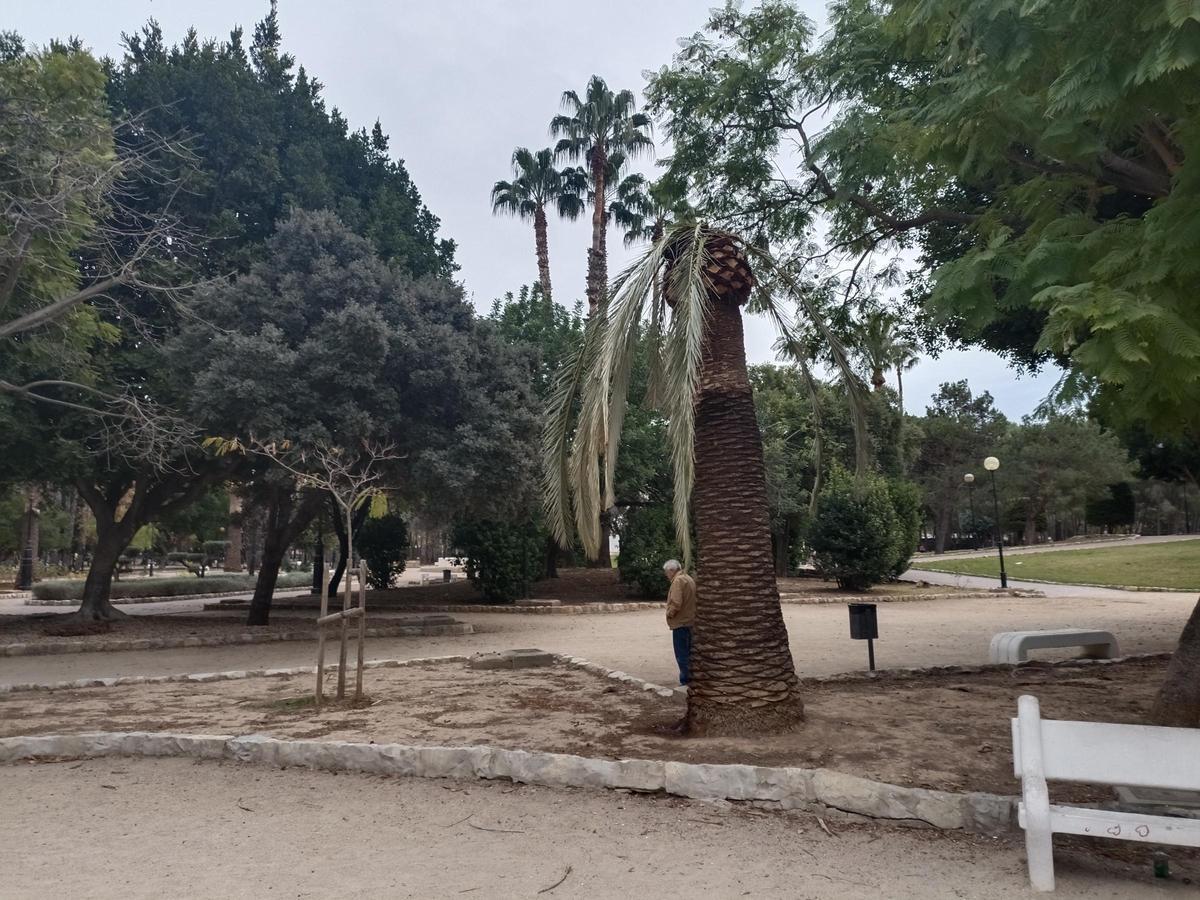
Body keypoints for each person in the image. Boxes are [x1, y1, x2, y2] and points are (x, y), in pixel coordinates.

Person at [663, 559, 696, 685]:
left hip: (681, 623)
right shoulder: (688, 578)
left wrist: (669, 614)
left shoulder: (677, 581)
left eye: (666, 572)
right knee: (689, 652)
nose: (666, 575)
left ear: (672, 570)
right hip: (690, 621)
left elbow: (676, 602)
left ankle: (686, 680)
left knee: (681, 654)